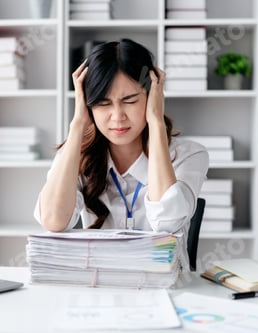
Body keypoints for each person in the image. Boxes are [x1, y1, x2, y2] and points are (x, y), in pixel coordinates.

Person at [34, 38, 209, 266]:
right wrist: (78, 124)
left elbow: (167, 222)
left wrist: (155, 121)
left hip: (163, 290)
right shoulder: (75, 156)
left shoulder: (189, 155)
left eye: (130, 100)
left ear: (151, 96)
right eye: (103, 104)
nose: (117, 116)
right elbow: (53, 221)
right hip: (100, 287)